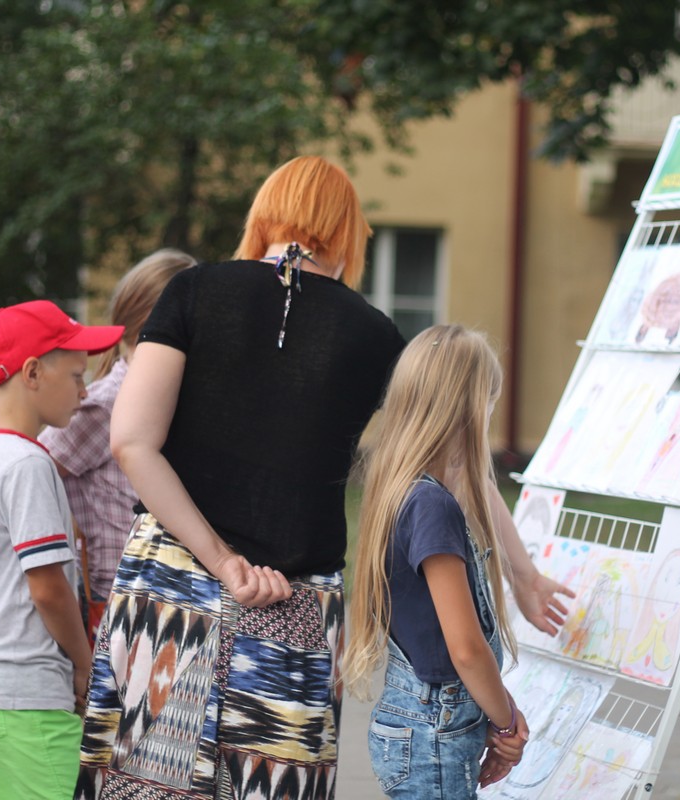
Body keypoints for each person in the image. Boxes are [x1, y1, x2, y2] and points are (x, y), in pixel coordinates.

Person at [76, 155, 572, 800]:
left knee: (143, 785)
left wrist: (222, 560)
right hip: (296, 605)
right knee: (275, 787)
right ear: (346, 236)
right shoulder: (371, 334)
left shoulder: (193, 293)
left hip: (166, 590)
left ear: (264, 219)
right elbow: (452, 458)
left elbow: (133, 442)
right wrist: (522, 573)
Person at [0, 300, 124, 800]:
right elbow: (47, 589)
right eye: (75, 375)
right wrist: (85, 663)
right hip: (24, 696)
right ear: (32, 372)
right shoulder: (28, 464)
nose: (85, 390)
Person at [344, 325, 529, 798]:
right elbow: (465, 648)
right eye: (488, 402)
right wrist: (507, 722)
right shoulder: (434, 507)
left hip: (420, 724)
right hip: (434, 731)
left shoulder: (403, 489)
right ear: (469, 407)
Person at [38, 248, 197, 641]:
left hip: (159, 592)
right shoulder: (108, 402)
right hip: (113, 599)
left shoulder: (167, 397)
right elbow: (33, 469)